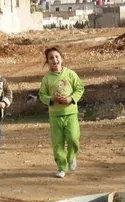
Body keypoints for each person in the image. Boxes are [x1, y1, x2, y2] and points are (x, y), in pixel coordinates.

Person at [38, 46, 84, 178]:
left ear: (62, 58)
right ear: (48, 62)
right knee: (57, 143)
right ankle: (61, 167)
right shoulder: (47, 79)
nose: (54, 60)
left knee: (73, 139)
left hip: (70, 114)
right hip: (55, 116)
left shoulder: (70, 74)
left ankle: (71, 156)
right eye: (51, 58)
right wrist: (51, 99)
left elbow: (79, 88)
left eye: (57, 57)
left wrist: (71, 98)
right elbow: (42, 95)